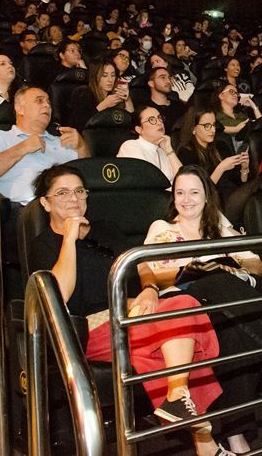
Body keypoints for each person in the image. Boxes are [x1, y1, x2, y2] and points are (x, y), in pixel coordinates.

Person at [28, 165, 228, 456]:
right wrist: (69, 238)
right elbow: (59, 294)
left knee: (151, 352)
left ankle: (180, 400)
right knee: (182, 310)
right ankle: (197, 427)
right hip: (86, 329)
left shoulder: (106, 229)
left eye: (79, 191)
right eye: (62, 192)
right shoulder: (43, 244)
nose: (74, 198)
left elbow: (141, 263)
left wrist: (149, 288)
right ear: (45, 203)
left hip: (133, 316)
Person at [143, 166, 262, 453]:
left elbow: (258, 264)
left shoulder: (218, 224)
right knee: (217, 282)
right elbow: (153, 274)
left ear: (206, 196)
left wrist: (231, 262)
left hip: (228, 304)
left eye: (194, 192)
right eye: (180, 193)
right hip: (185, 304)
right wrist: (190, 266)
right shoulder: (163, 228)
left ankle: (235, 436)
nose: (187, 199)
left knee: (236, 335)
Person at [176, 107, 247, 198]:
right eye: (207, 126)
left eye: (213, 125)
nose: (213, 130)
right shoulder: (186, 154)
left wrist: (244, 169)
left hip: (234, 195)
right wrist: (221, 168)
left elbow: (239, 182)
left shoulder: (221, 146)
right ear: (193, 129)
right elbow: (199, 192)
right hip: (214, 201)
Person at [117, 105, 183, 182]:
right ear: (139, 129)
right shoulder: (130, 146)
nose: (159, 123)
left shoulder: (162, 151)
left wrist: (169, 150)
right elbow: (147, 181)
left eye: (159, 118)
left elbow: (182, 179)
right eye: (151, 119)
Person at [65, 60, 133, 130]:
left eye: (113, 75)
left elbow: (132, 122)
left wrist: (127, 100)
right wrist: (104, 105)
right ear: (95, 77)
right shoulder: (82, 93)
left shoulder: (115, 93)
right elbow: (81, 124)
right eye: (105, 75)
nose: (110, 80)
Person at [213, 83, 262, 151]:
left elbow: (261, 124)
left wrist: (252, 105)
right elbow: (213, 128)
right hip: (228, 149)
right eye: (232, 92)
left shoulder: (241, 115)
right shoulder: (214, 115)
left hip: (249, 146)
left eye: (237, 93)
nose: (235, 95)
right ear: (221, 95)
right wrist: (235, 129)